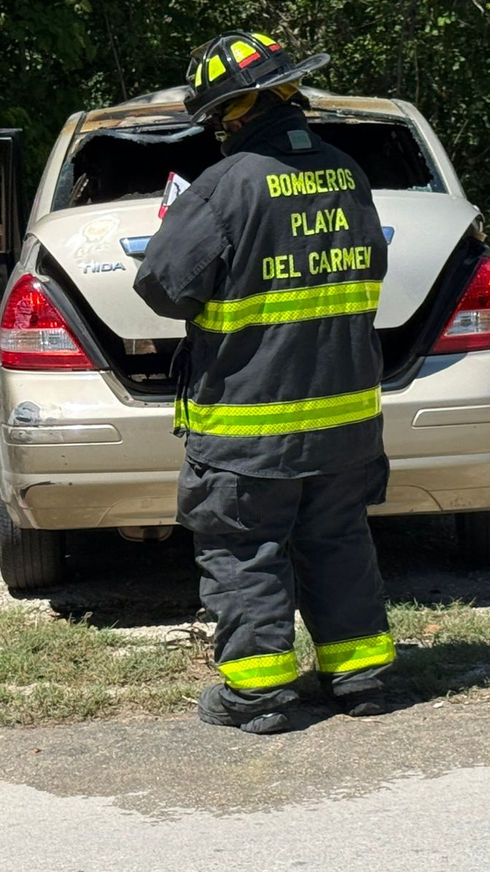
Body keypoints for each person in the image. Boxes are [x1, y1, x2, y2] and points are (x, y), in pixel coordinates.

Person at [134, 30, 396, 734]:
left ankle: (257, 694)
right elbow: (371, 268)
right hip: (346, 420)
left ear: (235, 111)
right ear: (290, 93)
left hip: (253, 424)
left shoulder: (224, 187)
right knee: (338, 537)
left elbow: (162, 286)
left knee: (245, 548)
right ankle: (361, 677)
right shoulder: (346, 172)